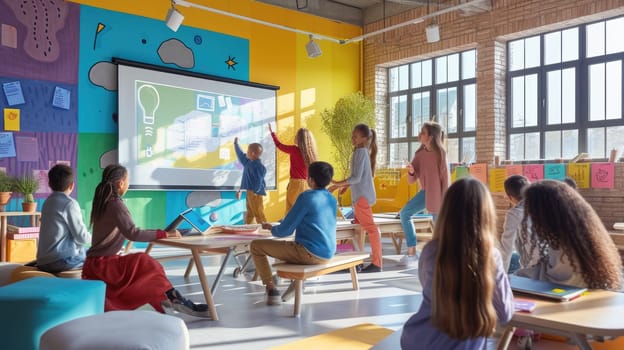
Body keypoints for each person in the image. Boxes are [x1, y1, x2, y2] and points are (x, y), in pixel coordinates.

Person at [82, 164, 209, 316]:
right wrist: (164, 234)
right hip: (104, 266)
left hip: (94, 265)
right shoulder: (115, 204)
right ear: (121, 183)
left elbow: (132, 231)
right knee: (145, 263)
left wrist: (161, 233)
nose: (128, 184)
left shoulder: (103, 202)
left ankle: (170, 299)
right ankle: (173, 299)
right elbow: (134, 234)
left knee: (144, 267)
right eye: (128, 181)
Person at [400, 178, 514, 349]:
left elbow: (428, 288)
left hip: (417, 339)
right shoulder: (491, 256)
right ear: (486, 215)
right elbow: (505, 313)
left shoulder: (430, 251)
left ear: (446, 212)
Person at [251, 161, 337, 305]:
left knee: (256, 246)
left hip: (308, 253)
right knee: (285, 249)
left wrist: (271, 228)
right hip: (327, 253)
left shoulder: (306, 197)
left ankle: (271, 289)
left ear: (310, 179)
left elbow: (285, 230)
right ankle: (297, 284)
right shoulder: (331, 198)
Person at [515, 180, 622, 289]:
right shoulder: (582, 232)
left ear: (545, 213)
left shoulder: (566, 247)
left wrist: (518, 276)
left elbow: (559, 281)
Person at [329, 124, 382, 273]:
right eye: (352, 136)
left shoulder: (361, 152)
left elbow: (356, 177)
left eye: (355, 137)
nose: (352, 138)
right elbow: (359, 177)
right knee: (357, 230)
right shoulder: (360, 151)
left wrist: (337, 184)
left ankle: (377, 263)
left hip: (362, 199)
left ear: (364, 139)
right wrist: (345, 186)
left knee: (371, 230)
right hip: (360, 197)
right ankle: (356, 262)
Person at [398, 121, 449, 267]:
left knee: (439, 229)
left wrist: (446, 200)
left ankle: (441, 260)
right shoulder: (419, 154)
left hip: (439, 195)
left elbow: (446, 179)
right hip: (425, 192)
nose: (419, 134)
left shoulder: (441, 154)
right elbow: (411, 180)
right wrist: (412, 171)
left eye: (423, 132)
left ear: (431, 137)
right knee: (405, 213)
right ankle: (412, 252)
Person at [36, 164, 90, 273]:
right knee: (96, 257)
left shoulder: (47, 202)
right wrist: (98, 240)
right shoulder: (70, 204)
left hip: (42, 262)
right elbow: (82, 237)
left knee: (86, 250)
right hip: (61, 261)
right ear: (72, 185)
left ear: (49, 184)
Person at [269, 123, 318, 214]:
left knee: (291, 210)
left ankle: (290, 227)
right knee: (304, 210)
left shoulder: (294, 150)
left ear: (299, 139)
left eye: (296, 135)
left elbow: (279, 145)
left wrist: (273, 133)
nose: (294, 137)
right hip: (307, 184)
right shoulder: (311, 154)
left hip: (295, 184)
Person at [499, 175, 540, 273]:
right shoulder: (541, 206)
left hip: (536, 268)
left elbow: (507, 248)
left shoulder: (515, 213)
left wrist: (501, 276)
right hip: (559, 264)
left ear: (510, 197)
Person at [234, 137, 267, 224]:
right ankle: (247, 228)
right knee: (250, 212)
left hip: (255, 193)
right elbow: (240, 155)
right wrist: (236, 144)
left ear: (252, 153)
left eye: (247, 152)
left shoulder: (259, 167)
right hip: (250, 192)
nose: (246, 153)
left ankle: (265, 230)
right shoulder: (248, 162)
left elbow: (259, 181)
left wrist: (256, 191)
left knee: (259, 213)